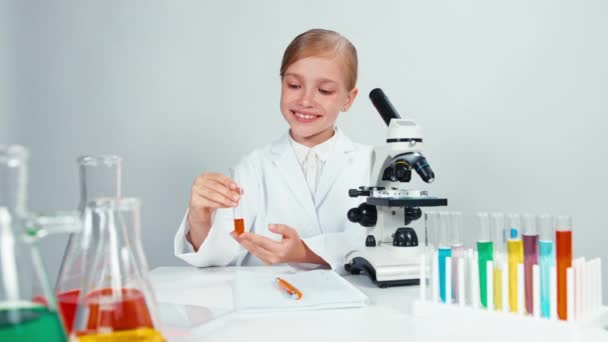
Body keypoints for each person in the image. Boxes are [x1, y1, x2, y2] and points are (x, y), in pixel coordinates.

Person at [174, 28, 372, 273]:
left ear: (348, 99)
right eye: (294, 85)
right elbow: (216, 256)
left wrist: (304, 253)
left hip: (353, 307)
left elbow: (378, 244)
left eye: (324, 90)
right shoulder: (254, 167)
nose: (306, 100)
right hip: (272, 305)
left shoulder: (371, 164)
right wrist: (200, 216)